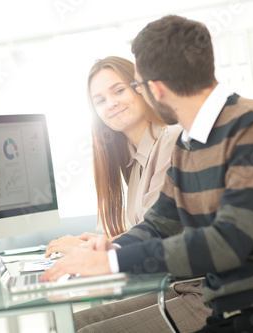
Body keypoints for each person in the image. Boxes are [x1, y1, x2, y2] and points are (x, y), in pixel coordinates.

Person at [42, 15, 253, 333]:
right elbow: (158, 225)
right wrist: (109, 250)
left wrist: (114, 264)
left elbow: (228, 241)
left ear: (154, 88)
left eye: (136, 86)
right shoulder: (189, 144)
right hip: (230, 315)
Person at [45, 56, 181, 254]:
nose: (110, 104)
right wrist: (106, 241)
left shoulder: (170, 138)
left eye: (119, 90)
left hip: (186, 281)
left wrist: (89, 248)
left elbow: (160, 235)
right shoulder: (134, 161)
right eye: (100, 101)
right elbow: (146, 229)